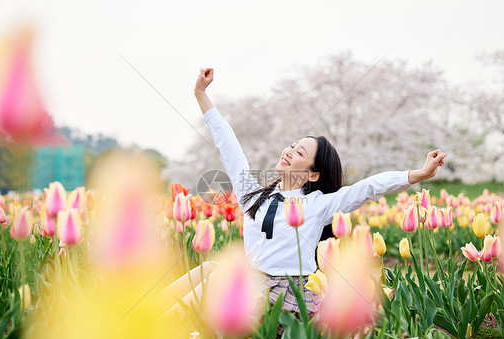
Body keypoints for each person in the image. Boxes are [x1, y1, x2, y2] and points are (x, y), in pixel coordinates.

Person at [160, 67, 447, 318]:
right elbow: (229, 145)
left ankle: (163, 327)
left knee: (220, 276)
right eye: (292, 145)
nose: (288, 151)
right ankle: (150, 315)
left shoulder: (317, 205)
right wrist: (201, 94)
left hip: (287, 294)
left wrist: (418, 175)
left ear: (313, 174)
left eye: (299, 152)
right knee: (211, 267)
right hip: (252, 282)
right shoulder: (252, 195)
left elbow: (367, 188)